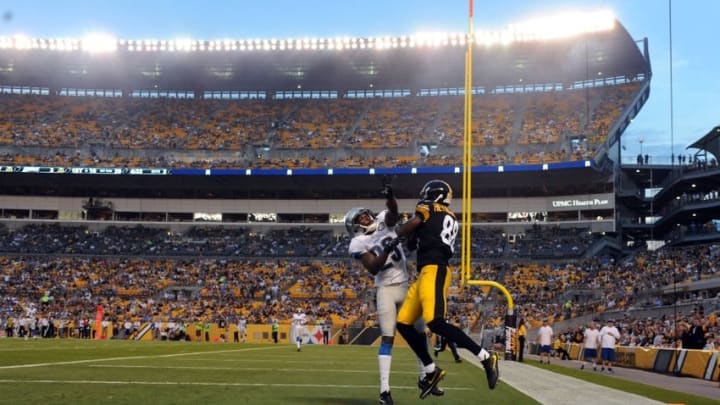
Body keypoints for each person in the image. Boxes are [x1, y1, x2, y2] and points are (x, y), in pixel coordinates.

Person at [393, 179, 499, 399]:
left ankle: (485, 357)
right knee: (403, 322)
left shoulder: (429, 208)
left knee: (436, 322)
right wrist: (412, 237)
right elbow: (418, 240)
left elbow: (412, 226)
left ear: (435, 195)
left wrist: (397, 233)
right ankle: (431, 370)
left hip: (435, 269)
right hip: (426, 271)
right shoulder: (448, 215)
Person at [345, 181, 443, 405]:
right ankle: (384, 392)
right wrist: (388, 248)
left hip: (405, 285)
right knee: (388, 337)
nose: (364, 218)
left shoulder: (383, 221)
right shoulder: (358, 242)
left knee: (420, 334)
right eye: (359, 218)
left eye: (364, 214)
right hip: (386, 290)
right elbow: (373, 267)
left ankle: (425, 378)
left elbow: (393, 213)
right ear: (355, 227)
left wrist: (391, 195)